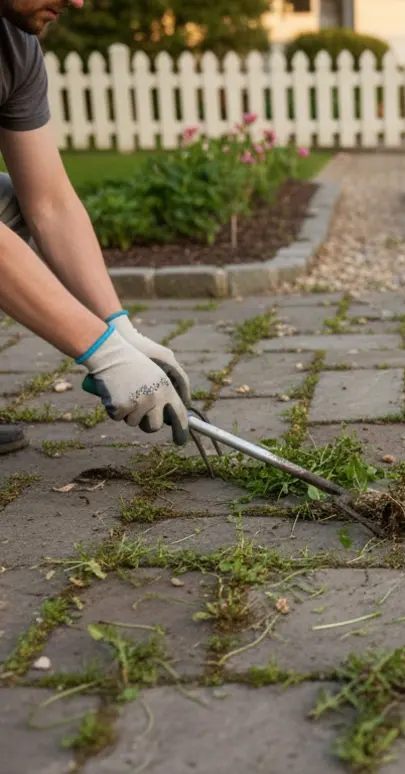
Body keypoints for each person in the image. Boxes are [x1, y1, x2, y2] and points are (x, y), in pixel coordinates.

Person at [0, 0, 190, 454]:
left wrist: (118, 327)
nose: (79, 1)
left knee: (9, 203)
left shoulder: (16, 46)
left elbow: (49, 202)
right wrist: (103, 353)